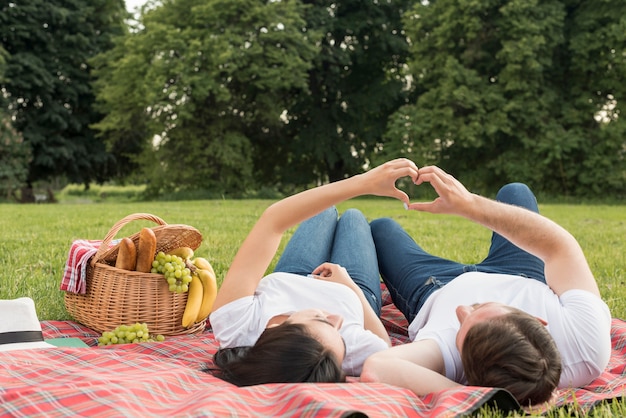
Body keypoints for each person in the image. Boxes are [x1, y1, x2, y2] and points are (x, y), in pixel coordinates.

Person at [361, 165, 612, 407]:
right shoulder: (587, 348)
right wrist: (468, 205)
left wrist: (477, 397)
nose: (461, 310)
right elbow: (560, 246)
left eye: (460, 332)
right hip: (520, 272)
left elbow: (376, 367)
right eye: (480, 308)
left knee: (383, 228)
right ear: (538, 320)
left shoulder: (451, 359)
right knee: (516, 192)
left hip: (434, 286)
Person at [209, 158, 420, 386]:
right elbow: (382, 346)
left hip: (292, 277)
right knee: (353, 218)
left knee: (323, 211)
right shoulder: (332, 357)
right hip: (354, 292)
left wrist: (364, 183)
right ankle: (354, 228)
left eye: (323, 320)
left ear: (277, 327)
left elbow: (273, 221)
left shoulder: (235, 326)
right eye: (340, 335)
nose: (337, 319)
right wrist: (350, 287)